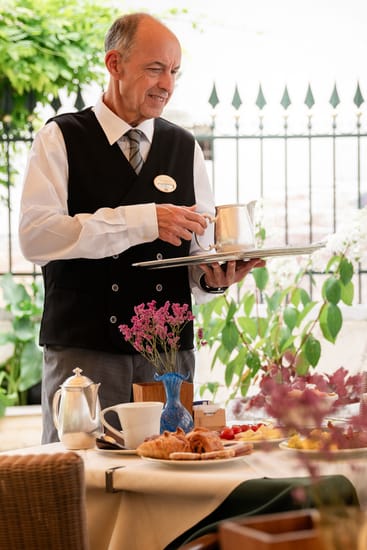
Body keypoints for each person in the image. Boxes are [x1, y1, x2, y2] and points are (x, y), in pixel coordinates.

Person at [19, 12, 264, 443]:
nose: (167, 84)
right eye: (155, 69)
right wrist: (145, 219)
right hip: (85, 355)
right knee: (81, 485)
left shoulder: (183, 146)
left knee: (170, 485)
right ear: (114, 64)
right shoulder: (60, 138)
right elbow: (36, 237)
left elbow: (196, 257)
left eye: (174, 72)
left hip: (168, 358)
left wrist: (213, 279)